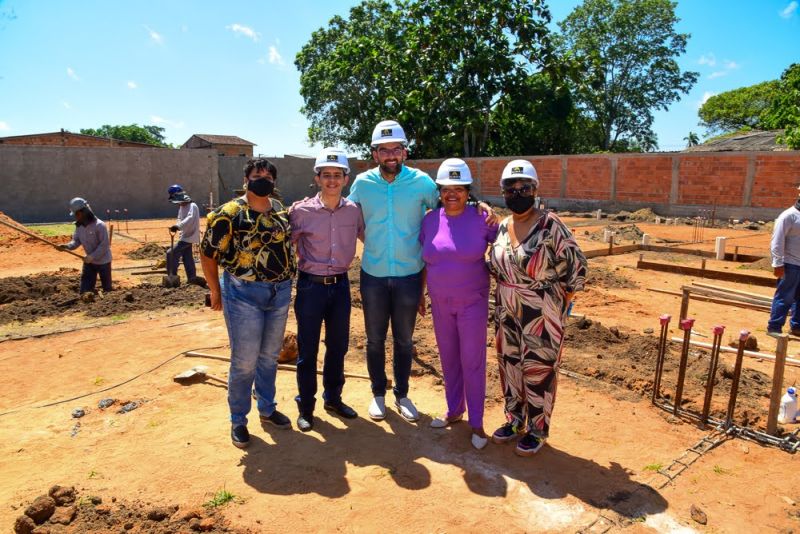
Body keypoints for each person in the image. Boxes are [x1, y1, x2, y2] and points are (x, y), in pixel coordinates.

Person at [348, 120, 496, 423]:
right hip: (373, 273)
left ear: (405, 152)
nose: (391, 155)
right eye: (384, 150)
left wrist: (482, 205)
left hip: (410, 275)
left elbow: (450, 202)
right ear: (374, 153)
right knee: (375, 338)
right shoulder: (362, 184)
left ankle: (402, 394)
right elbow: (348, 215)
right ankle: (378, 394)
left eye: (397, 149)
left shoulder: (422, 183)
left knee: (404, 339)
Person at [489, 160, 587, 456]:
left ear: (535, 190)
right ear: (503, 192)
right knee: (510, 365)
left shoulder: (550, 224)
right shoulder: (502, 227)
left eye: (525, 188)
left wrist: (560, 302)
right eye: (511, 188)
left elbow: (577, 267)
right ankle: (514, 419)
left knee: (538, 370)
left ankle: (537, 429)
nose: (518, 193)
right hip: (506, 308)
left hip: (540, 310)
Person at [200, 158, 296, 449]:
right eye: (257, 175)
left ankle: (267, 407)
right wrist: (215, 290)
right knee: (244, 362)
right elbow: (207, 254)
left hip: (278, 293)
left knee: (268, 357)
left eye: (268, 175)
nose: (263, 179)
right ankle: (238, 420)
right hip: (243, 295)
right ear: (246, 180)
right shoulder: (227, 213)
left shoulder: (280, 210)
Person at [419, 159, 498, 450]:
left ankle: (476, 422)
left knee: (472, 361)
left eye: (459, 189)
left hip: (472, 303)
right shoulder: (430, 220)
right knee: (449, 357)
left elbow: (504, 244)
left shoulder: (481, 219)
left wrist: (491, 209)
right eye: (446, 189)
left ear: (468, 192)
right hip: (440, 302)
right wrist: (420, 294)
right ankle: (454, 410)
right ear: (439, 191)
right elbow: (426, 260)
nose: (452, 194)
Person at [288, 148, 365, 431]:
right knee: (307, 350)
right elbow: (284, 243)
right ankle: (306, 407)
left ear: (346, 179)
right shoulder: (300, 211)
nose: (332, 180)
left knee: (338, 347)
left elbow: (371, 237)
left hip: (341, 286)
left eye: (337, 175)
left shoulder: (354, 211)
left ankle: (333, 398)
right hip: (311, 287)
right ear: (317, 178)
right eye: (326, 175)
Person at [60, 197, 113, 294]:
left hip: (103, 262)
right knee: (85, 291)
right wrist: (67, 246)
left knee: (107, 291)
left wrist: (92, 256)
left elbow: (104, 245)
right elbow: (76, 241)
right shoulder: (79, 226)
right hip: (89, 263)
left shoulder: (100, 225)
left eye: (77, 214)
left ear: (83, 212)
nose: (76, 216)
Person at [768, 185, 800, 336]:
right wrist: (778, 263)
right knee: (785, 297)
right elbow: (777, 241)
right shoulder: (788, 216)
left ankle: (797, 327)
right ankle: (774, 327)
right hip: (790, 265)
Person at [166, 184, 201, 284]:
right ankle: (192, 278)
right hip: (184, 236)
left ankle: (172, 277)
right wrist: (176, 226)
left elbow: (189, 219)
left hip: (189, 237)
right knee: (187, 257)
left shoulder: (192, 206)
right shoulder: (181, 207)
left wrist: (178, 226)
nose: (178, 204)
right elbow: (179, 219)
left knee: (171, 253)